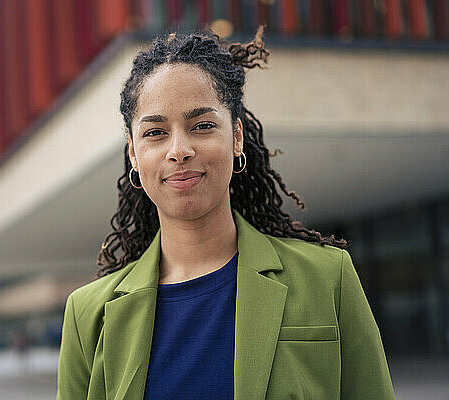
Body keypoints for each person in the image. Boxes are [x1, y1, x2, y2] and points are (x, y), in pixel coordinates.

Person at [56, 26, 395, 399]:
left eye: (202, 126)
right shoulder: (88, 314)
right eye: (155, 133)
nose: (179, 150)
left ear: (236, 137)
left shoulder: (329, 278)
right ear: (134, 154)